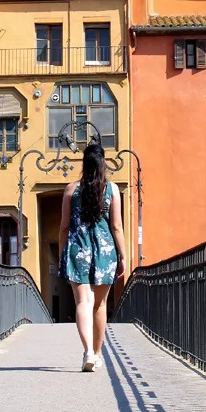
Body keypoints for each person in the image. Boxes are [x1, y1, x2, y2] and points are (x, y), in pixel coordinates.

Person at [59, 142, 127, 372]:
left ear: (84, 165)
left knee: (82, 302)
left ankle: (87, 350)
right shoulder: (112, 190)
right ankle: (97, 354)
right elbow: (116, 225)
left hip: (78, 247)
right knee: (100, 304)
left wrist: (62, 254)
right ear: (103, 163)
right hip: (105, 251)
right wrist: (123, 256)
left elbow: (64, 227)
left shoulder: (71, 190)